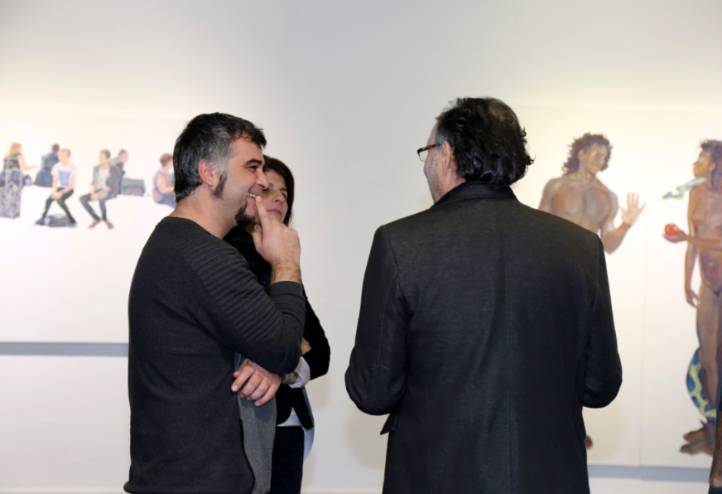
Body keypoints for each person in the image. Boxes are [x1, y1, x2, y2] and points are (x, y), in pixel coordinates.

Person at [345, 97, 622, 494]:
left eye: (427, 152)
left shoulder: (400, 243)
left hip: (436, 478)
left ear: (447, 154)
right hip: (550, 479)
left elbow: (372, 391)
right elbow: (600, 385)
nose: (425, 165)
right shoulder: (579, 247)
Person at [125, 112, 306, 494]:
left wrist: (268, 363)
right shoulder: (203, 255)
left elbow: (269, 347)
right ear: (209, 172)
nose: (262, 181)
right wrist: (286, 262)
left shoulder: (178, 244)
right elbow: (284, 347)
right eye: (252, 167)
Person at [225, 156, 330, 494]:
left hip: (290, 423)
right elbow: (269, 338)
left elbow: (321, 353)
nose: (280, 199)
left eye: (285, 193)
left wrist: (278, 368)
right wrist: (288, 349)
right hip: (242, 426)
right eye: (268, 190)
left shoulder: (283, 265)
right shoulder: (227, 256)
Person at [664, 140, 722, 457]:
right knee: (708, 360)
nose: (695, 162)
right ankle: (713, 431)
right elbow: (692, 242)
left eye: (701, 158)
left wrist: (689, 238)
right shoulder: (695, 193)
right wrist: (687, 282)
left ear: (713, 163)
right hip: (708, 286)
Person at [539, 133, 644, 254]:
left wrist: (625, 225)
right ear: (581, 155)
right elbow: (539, 230)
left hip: (587, 261)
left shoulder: (609, 197)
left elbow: (609, 246)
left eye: (603, 157)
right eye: (597, 154)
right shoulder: (556, 186)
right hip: (555, 258)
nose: (600, 160)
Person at [79, 149, 123, 229]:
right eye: (99, 157)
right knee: (82, 199)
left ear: (108, 159)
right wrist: (92, 193)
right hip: (98, 190)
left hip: (111, 191)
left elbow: (111, 187)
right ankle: (96, 218)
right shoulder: (96, 168)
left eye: (102, 157)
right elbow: (93, 182)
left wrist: (98, 194)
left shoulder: (114, 169)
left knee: (101, 198)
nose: (99, 159)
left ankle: (105, 219)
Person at [36, 148, 77, 226]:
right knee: (48, 200)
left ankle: (71, 219)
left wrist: (60, 193)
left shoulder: (73, 167)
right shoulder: (56, 166)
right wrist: (54, 192)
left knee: (59, 200)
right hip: (59, 188)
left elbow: (71, 186)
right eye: (59, 155)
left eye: (62, 155)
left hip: (68, 189)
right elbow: (55, 181)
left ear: (67, 156)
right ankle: (43, 217)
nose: (59, 157)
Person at [1, 142, 35, 218]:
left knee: (4, 195)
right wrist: (33, 166)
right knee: (16, 195)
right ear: (18, 148)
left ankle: (4, 213)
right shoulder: (19, 156)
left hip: (4, 177)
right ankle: (13, 214)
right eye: (20, 147)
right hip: (15, 177)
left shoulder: (6, 156)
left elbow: (5, 167)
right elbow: (24, 168)